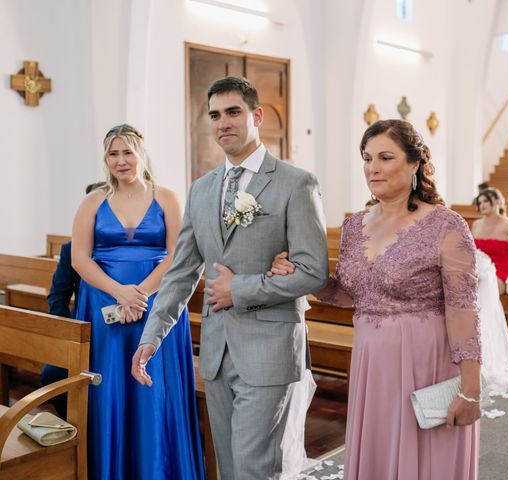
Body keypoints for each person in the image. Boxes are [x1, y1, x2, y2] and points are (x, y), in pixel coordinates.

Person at [131, 76, 328, 480]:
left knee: (256, 469)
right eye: (215, 115)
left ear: (256, 116)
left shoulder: (296, 183)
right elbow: (181, 271)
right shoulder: (202, 190)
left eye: (233, 112)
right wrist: (152, 337)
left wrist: (239, 288)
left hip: (270, 349)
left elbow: (313, 271)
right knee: (231, 466)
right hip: (218, 353)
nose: (223, 123)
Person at [272, 119, 482, 479]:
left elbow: (464, 310)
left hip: (425, 359)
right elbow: (350, 293)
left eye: (386, 157)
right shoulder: (355, 225)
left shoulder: (446, 225)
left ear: (415, 163)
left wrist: (471, 389)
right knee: (380, 456)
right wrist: (303, 277)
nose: (373, 168)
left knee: (426, 459)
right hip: (371, 359)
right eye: (367, 158)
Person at [71, 124, 204, 479]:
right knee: (110, 390)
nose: (121, 161)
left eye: (127, 152)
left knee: (154, 392)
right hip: (105, 306)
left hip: (157, 304)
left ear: (141, 153)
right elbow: (79, 259)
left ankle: (157, 468)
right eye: (113, 154)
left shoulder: (167, 198)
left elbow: (177, 256)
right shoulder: (93, 201)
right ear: (106, 159)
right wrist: (120, 292)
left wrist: (139, 294)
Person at [40, 182, 105, 417]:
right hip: (83, 328)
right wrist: (68, 334)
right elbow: (58, 296)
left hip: (121, 328)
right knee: (51, 375)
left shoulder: (129, 247)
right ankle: (76, 424)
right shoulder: (71, 249)